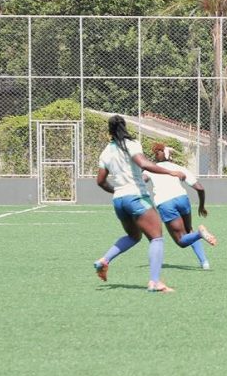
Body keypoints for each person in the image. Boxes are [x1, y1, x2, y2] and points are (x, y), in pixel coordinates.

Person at [93, 115, 184, 293]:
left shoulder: (105, 152)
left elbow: (100, 181)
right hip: (136, 196)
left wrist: (117, 191)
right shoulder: (131, 144)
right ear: (125, 127)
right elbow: (143, 163)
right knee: (156, 237)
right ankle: (155, 282)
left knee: (134, 236)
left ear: (109, 131)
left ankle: (104, 260)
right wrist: (170, 172)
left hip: (119, 200)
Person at [143, 143, 217, 270]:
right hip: (182, 199)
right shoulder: (179, 168)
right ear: (169, 155)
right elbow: (200, 188)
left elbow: (141, 180)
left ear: (156, 155)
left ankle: (200, 234)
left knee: (181, 241)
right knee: (189, 231)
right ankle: (204, 262)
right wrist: (201, 206)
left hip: (165, 203)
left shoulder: (151, 169)